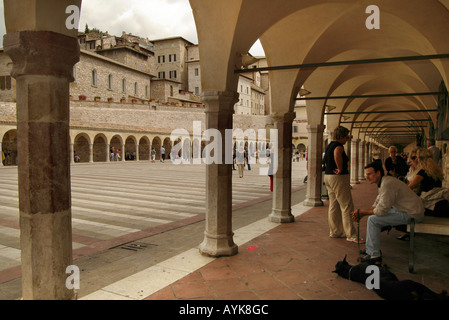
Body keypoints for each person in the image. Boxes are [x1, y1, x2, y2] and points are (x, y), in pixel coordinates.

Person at [351, 162, 424, 263]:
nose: (367, 177)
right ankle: (371, 250)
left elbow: (381, 210)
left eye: (369, 174)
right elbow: (378, 202)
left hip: (412, 213)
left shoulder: (387, 184)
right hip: (407, 210)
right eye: (366, 174)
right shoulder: (384, 182)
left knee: (373, 220)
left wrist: (362, 212)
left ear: (378, 173)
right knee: (373, 217)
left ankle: (374, 256)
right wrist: (362, 213)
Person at [323, 126, 360, 243]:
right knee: (346, 205)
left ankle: (335, 231)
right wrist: (340, 168)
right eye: (346, 136)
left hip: (328, 177)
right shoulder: (338, 146)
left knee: (333, 205)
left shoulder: (329, 145)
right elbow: (337, 155)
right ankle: (351, 234)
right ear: (341, 136)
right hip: (338, 178)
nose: (347, 139)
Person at [408, 148, 449, 217]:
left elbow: (409, 187)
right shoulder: (436, 170)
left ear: (420, 159)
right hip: (440, 200)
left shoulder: (423, 172)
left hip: (429, 202)